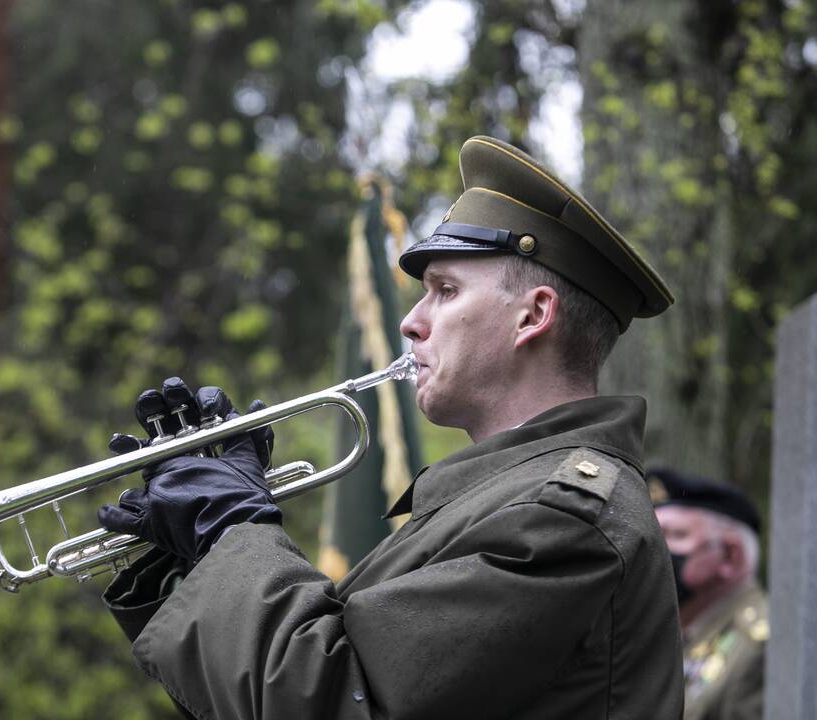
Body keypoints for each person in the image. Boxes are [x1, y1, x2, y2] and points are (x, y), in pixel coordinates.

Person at [98, 135, 685, 719]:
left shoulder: (564, 518)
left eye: (445, 291)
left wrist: (231, 528)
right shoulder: (501, 501)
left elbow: (338, 701)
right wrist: (192, 554)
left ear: (532, 315)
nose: (410, 322)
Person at [648, 468, 767, 720]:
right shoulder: (668, 633)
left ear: (729, 556)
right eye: (654, 536)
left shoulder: (761, 647)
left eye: (676, 535)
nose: (656, 551)